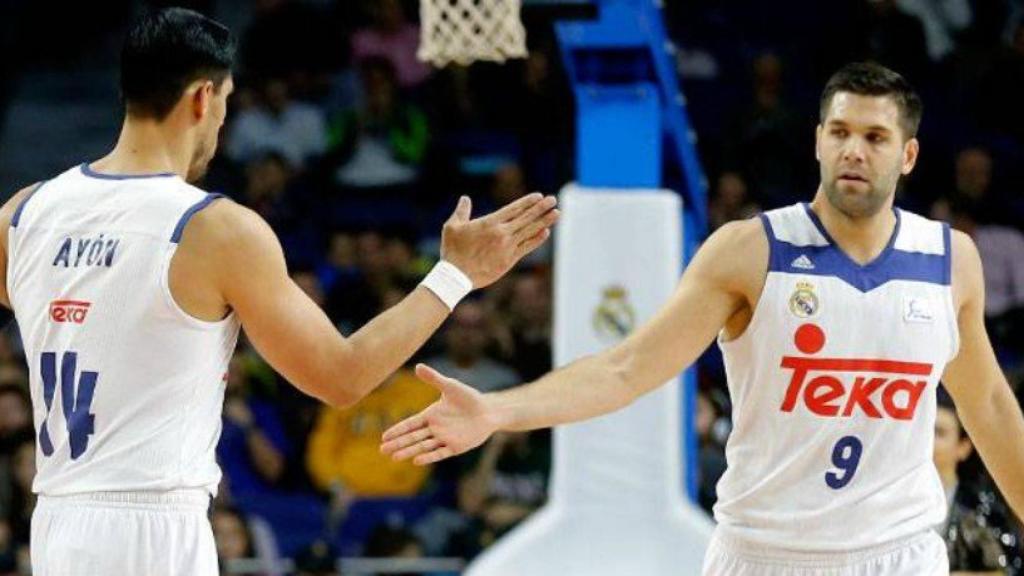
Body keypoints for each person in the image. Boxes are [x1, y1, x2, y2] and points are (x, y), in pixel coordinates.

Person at [381, 62, 1024, 575]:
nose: (854, 150)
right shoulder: (751, 251)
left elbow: (989, 404)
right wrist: (497, 411)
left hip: (900, 554)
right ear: (818, 142)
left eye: (875, 137)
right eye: (840, 132)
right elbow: (625, 369)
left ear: (907, 156)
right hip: (766, 555)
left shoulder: (948, 260)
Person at [0, 8, 558, 576]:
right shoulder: (212, 228)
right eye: (225, 103)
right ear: (201, 99)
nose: (221, 125)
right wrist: (454, 275)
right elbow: (342, 377)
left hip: (55, 523)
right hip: (153, 528)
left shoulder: (25, 213)